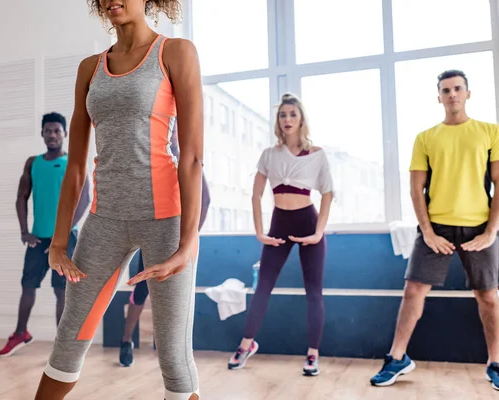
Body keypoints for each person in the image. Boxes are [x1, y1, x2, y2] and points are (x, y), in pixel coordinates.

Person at [33, 0, 204, 399]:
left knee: (174, 359)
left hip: (166, 219)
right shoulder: (89, 68)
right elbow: (75, 166)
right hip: (104, 218)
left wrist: (187, 244)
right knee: (69, 341)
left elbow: (193, 157)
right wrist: (59, 242)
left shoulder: (175, 52)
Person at [370, 70, 499, 390]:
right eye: (445, 90)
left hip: (478, 226)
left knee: (489, 297)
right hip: (436, 226)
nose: (452, 94)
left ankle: (495, 363)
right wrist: (427, 232)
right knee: (413, 291)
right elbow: (416, 191)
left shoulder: (490, 132)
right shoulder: (426, 138)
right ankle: (397, 358)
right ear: (438, 97)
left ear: (468, 93)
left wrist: (491, 232)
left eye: (457, 89)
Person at [227, 93, 334, 376]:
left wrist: (319, 233)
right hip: (279, 223)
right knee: (263, 287)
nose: (287, 120)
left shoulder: (317, 154)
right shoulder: (269, 155)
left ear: (301, 120)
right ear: (278, 121)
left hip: (308, 222)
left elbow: (327, 194)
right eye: (283, 115)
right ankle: (246, 345)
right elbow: (255, 194)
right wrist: (260, 233)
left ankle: (313, 353)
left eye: (293, 115)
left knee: (314, 292)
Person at [0, 112, 91, 358]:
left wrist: (63, 235)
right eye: (47, 131)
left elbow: (85, 198)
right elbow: (21, 197)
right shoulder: (33, 163)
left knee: (61, 291)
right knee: (28, 286)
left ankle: (61, 346)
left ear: (64, 134)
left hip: (65, 239)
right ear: (42, 134)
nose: (52, 135)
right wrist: (24, 232)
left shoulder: (73, 162)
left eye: (57, 131)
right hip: (38, 238)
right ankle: (20, 333)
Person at [120, 160, 211, 367]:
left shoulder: (191, 161)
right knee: (142, 289)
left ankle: (178, 350)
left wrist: (191, 236)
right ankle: (126, 341)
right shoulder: (153, 158)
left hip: (182, 240)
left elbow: (205, 200)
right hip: (154, 234)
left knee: (179, 295)